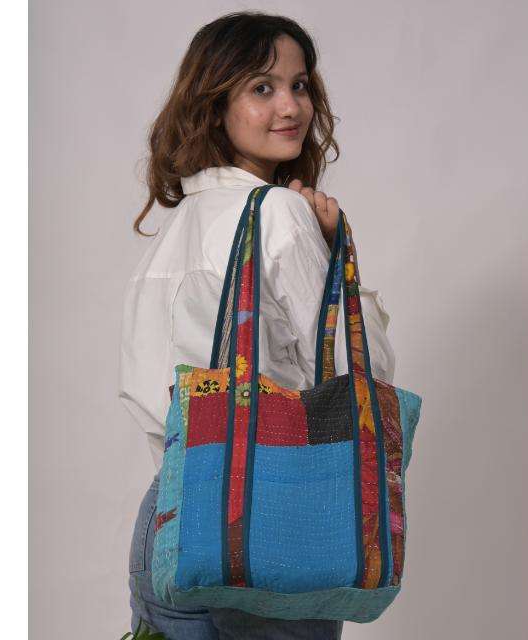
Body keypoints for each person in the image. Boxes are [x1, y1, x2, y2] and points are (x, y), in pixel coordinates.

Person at [118, 11, 396, 640]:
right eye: (262, 88)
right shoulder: (279, 214)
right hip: (266, 523)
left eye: (299, 85)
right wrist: (334, 254)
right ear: (215, 104)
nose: (290, 106)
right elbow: (364, 377)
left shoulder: (174, 230)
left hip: (166, 524)